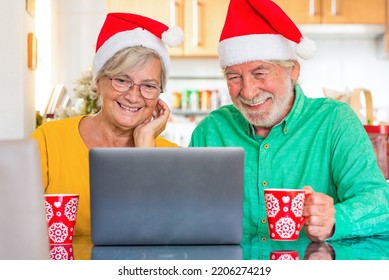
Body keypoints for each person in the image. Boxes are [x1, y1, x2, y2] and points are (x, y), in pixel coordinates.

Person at [189, 0, 389, 242]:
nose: (248, 92)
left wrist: (336, 218)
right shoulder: (211, 131)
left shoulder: (335, 121)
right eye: (234, 77)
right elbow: (180, 212)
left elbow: (379, 202)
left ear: (293, 70)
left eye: (260, 73)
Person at [31, 13, 184, 237]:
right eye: (122, 80)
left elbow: (165, 237)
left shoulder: (175, 158)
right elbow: (14, 221)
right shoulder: (48, 141)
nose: (134, 96)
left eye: (149, 86)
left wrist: (145, 154)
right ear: (97, 83)